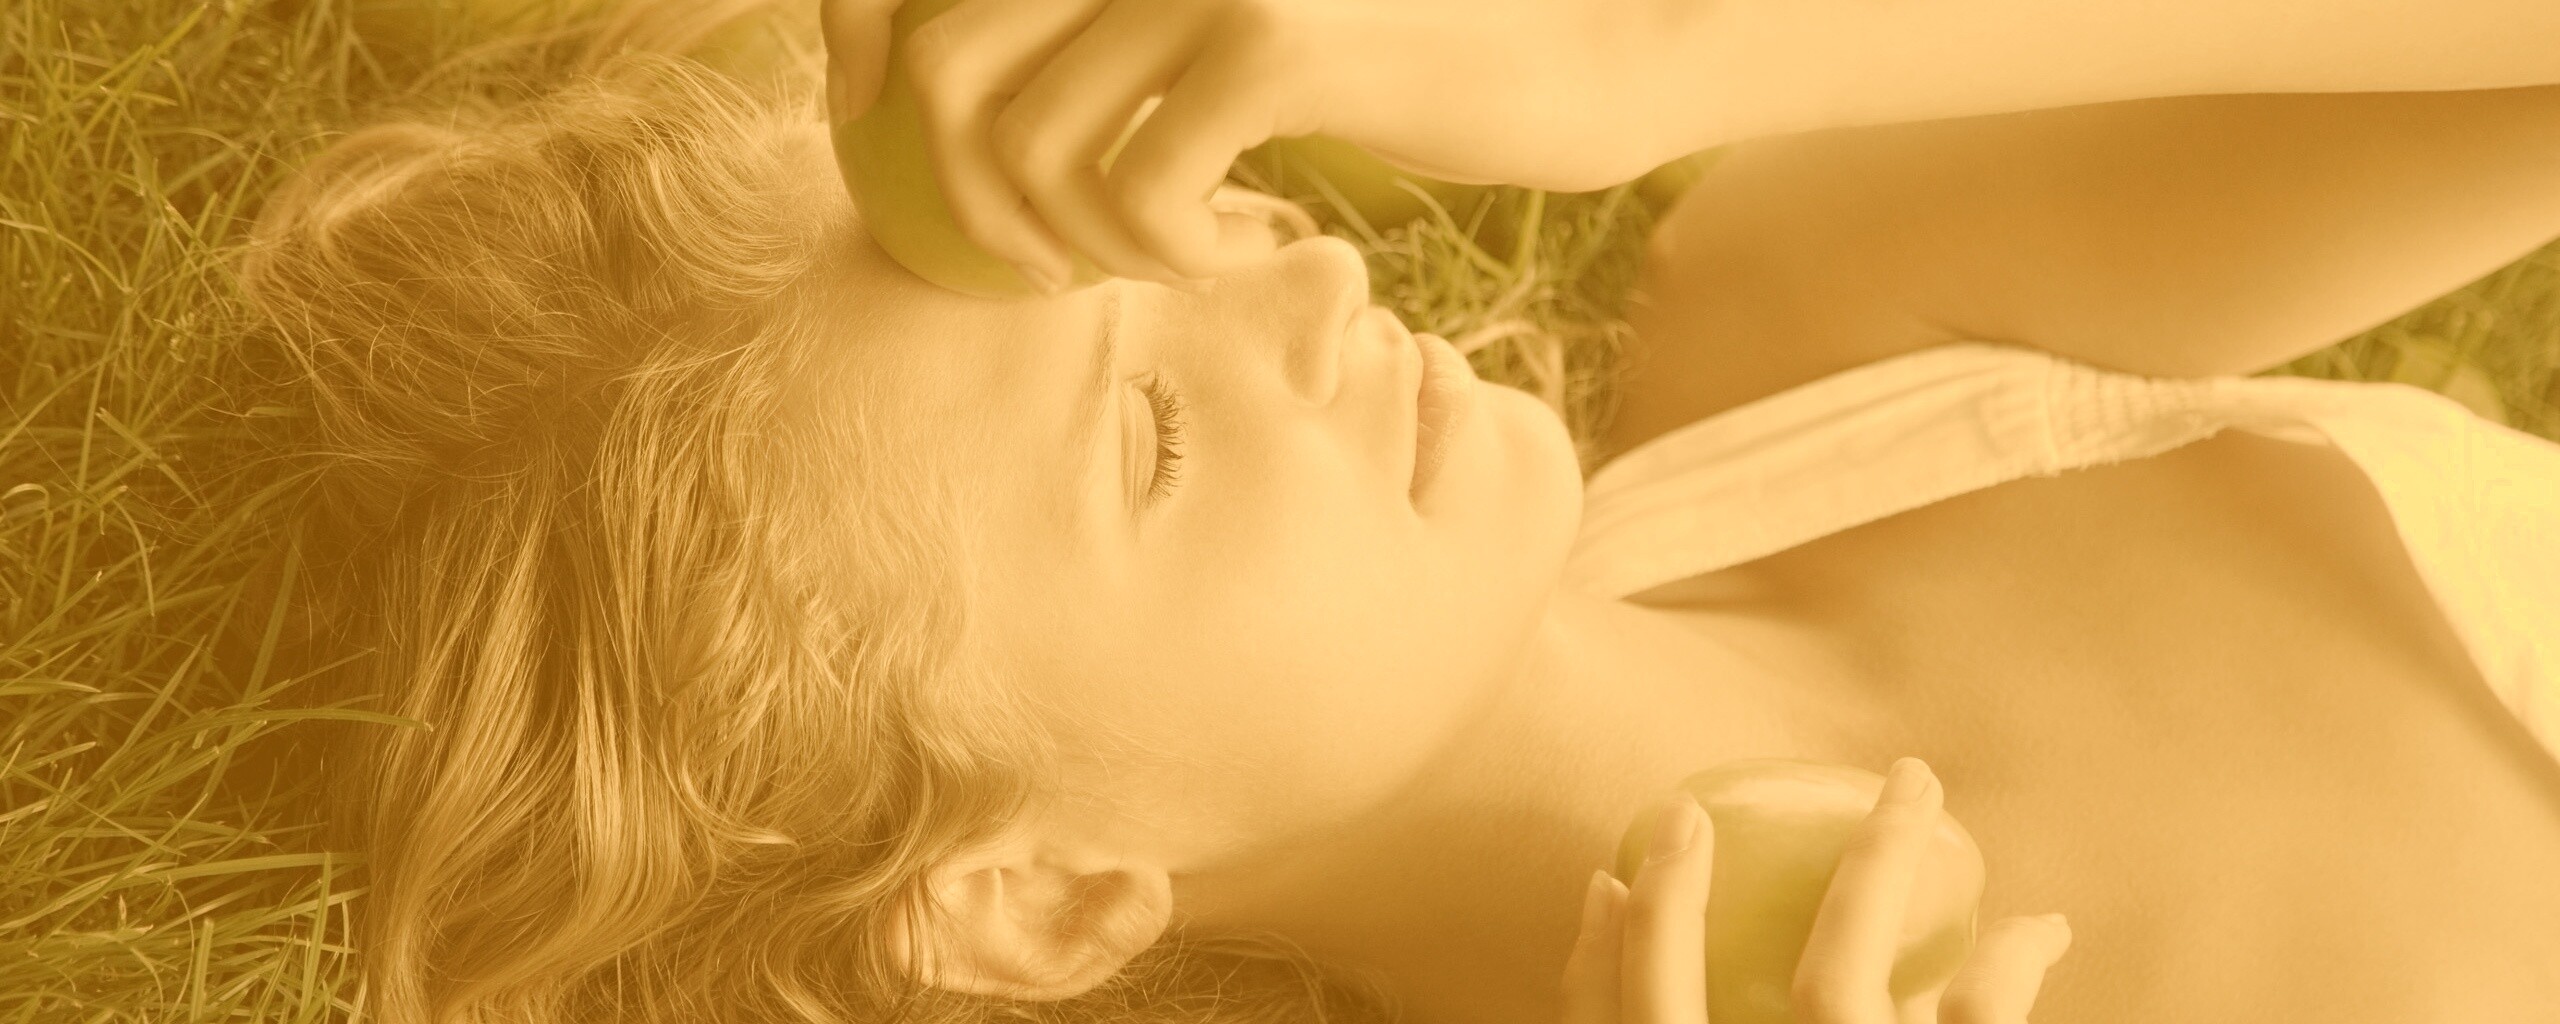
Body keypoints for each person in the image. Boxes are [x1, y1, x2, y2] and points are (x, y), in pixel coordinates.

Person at [237, 0, 2560, 1021]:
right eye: (1145, 439)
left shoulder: (1826, 333)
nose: (1312, 285)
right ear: (1035, 895)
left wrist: (1641, 50)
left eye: (1193, 236)